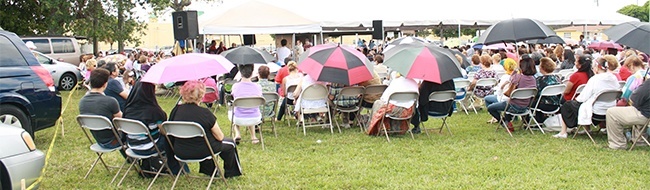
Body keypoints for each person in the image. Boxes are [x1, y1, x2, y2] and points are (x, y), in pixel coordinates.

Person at [170, 80, 242, 178]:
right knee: (229, 143)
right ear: (201, 95)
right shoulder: (205, 113)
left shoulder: (175, 110)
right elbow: (220, 137)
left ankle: (210, 171)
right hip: (202, 151)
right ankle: (230, 173)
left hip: (180, 151)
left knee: (204, 141)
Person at [123, 81, 184, 174]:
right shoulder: (153, 111)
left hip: (132, 145)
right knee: (172, 139)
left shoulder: (128, 109)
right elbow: (164, 131)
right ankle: (177, 169)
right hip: (149, 147)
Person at [553, 55, 619, 138]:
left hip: (596, 111)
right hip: (610, 108)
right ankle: (586, 129)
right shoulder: (613, 78)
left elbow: (583, 97)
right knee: (583, 104)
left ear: (597, 67)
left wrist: (577, 100)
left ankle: (563, 132)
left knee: (567, 105)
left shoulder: (595, 79)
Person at [487, 55, 538, 132]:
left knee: (490, 107)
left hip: (513, 106)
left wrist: (514, 74)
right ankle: (507, 120)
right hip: (526, 106)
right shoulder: (533, 79)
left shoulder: (517, 77)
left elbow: (508, 94)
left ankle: (504, 122)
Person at [79, 68, 123, 149]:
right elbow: (121, 123)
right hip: (114, 141)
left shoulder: (82, 101)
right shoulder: (111, 101)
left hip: (99, 141)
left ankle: (130, 160)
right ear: (105, 84)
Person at [606, 79, 650, 150]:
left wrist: (642, 86)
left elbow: (633, 99)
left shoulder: (648, 84)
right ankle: (640, 141)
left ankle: (617, 144)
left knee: (611, 113)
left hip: (646, 116)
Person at [229, 64, 263, 144]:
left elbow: (233, 98)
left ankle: (237, 133)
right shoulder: (258, 86)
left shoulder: (235, 86)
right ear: (252, 73)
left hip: (238, 118)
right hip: (255, 117)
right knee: (250, 108)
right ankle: (253, 137)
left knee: (234, 110)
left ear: (240, 72)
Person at [484, 58, 517, 123]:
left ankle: (497, 117)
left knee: (487, 99)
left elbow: (499, 91)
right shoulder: (517, 76)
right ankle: (513, 117)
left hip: (504, 98)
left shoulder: (505, 77)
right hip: (515, 100)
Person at [533, 58, 562, 123]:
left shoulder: (540, 80)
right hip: (556, 104)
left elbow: (536, 94)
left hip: (544, 105)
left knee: (531, 102)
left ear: (542, 67)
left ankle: (536, 121)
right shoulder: (557, 78)